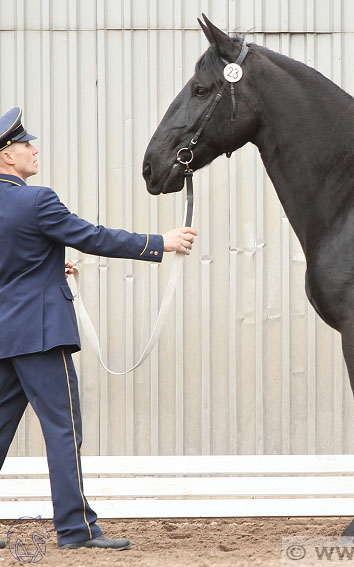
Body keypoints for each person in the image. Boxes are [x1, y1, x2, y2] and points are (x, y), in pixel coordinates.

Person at [0, 107, 197, 550]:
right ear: (7, 157)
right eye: (25, 143)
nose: (34, 148)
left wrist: (49, 269)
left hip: (5, 336)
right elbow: (92, 236)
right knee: (63, 429)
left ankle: (75, 525)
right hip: (41, 334)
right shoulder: (36, 199)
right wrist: (158, 243)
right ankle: (76, 529)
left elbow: (12, 266)